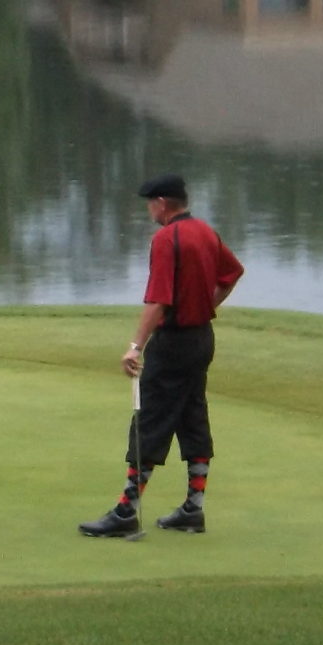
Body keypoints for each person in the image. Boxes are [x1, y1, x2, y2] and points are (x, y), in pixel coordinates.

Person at [80, 173, 243, 540]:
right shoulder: (205, 231)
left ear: (163, 204)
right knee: (192, 417)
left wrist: (135, 345)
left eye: (151, 204)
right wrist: (207, 305)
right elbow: (232, 274)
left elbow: (159, 301)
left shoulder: (166, 239)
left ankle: (126, 511)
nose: (149, 210)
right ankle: (193, 509)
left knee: (150, 421)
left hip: (173, 343)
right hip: (202, 339)